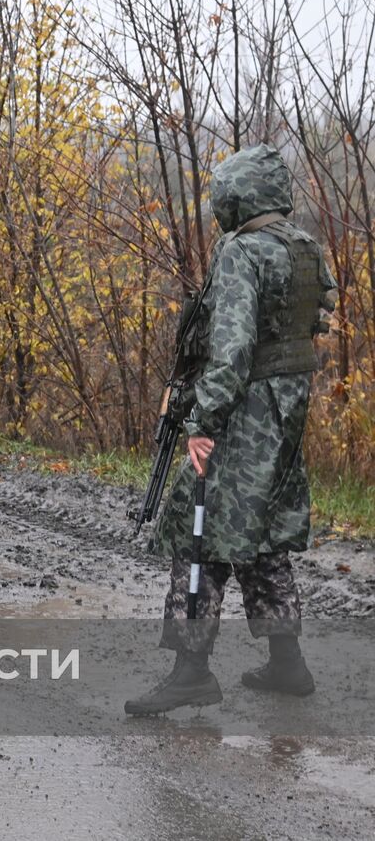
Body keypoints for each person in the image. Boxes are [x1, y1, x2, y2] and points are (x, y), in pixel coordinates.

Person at [125, 144, 337, 717]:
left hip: (243, 407)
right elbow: (320, 316)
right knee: (260, 526)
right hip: (288, 405)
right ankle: (287, 663)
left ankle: (190, 672)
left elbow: (233, 345)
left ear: (237, 196)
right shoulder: (304, 248)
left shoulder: (242, 251)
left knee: (203, 529)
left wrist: (204, 419)